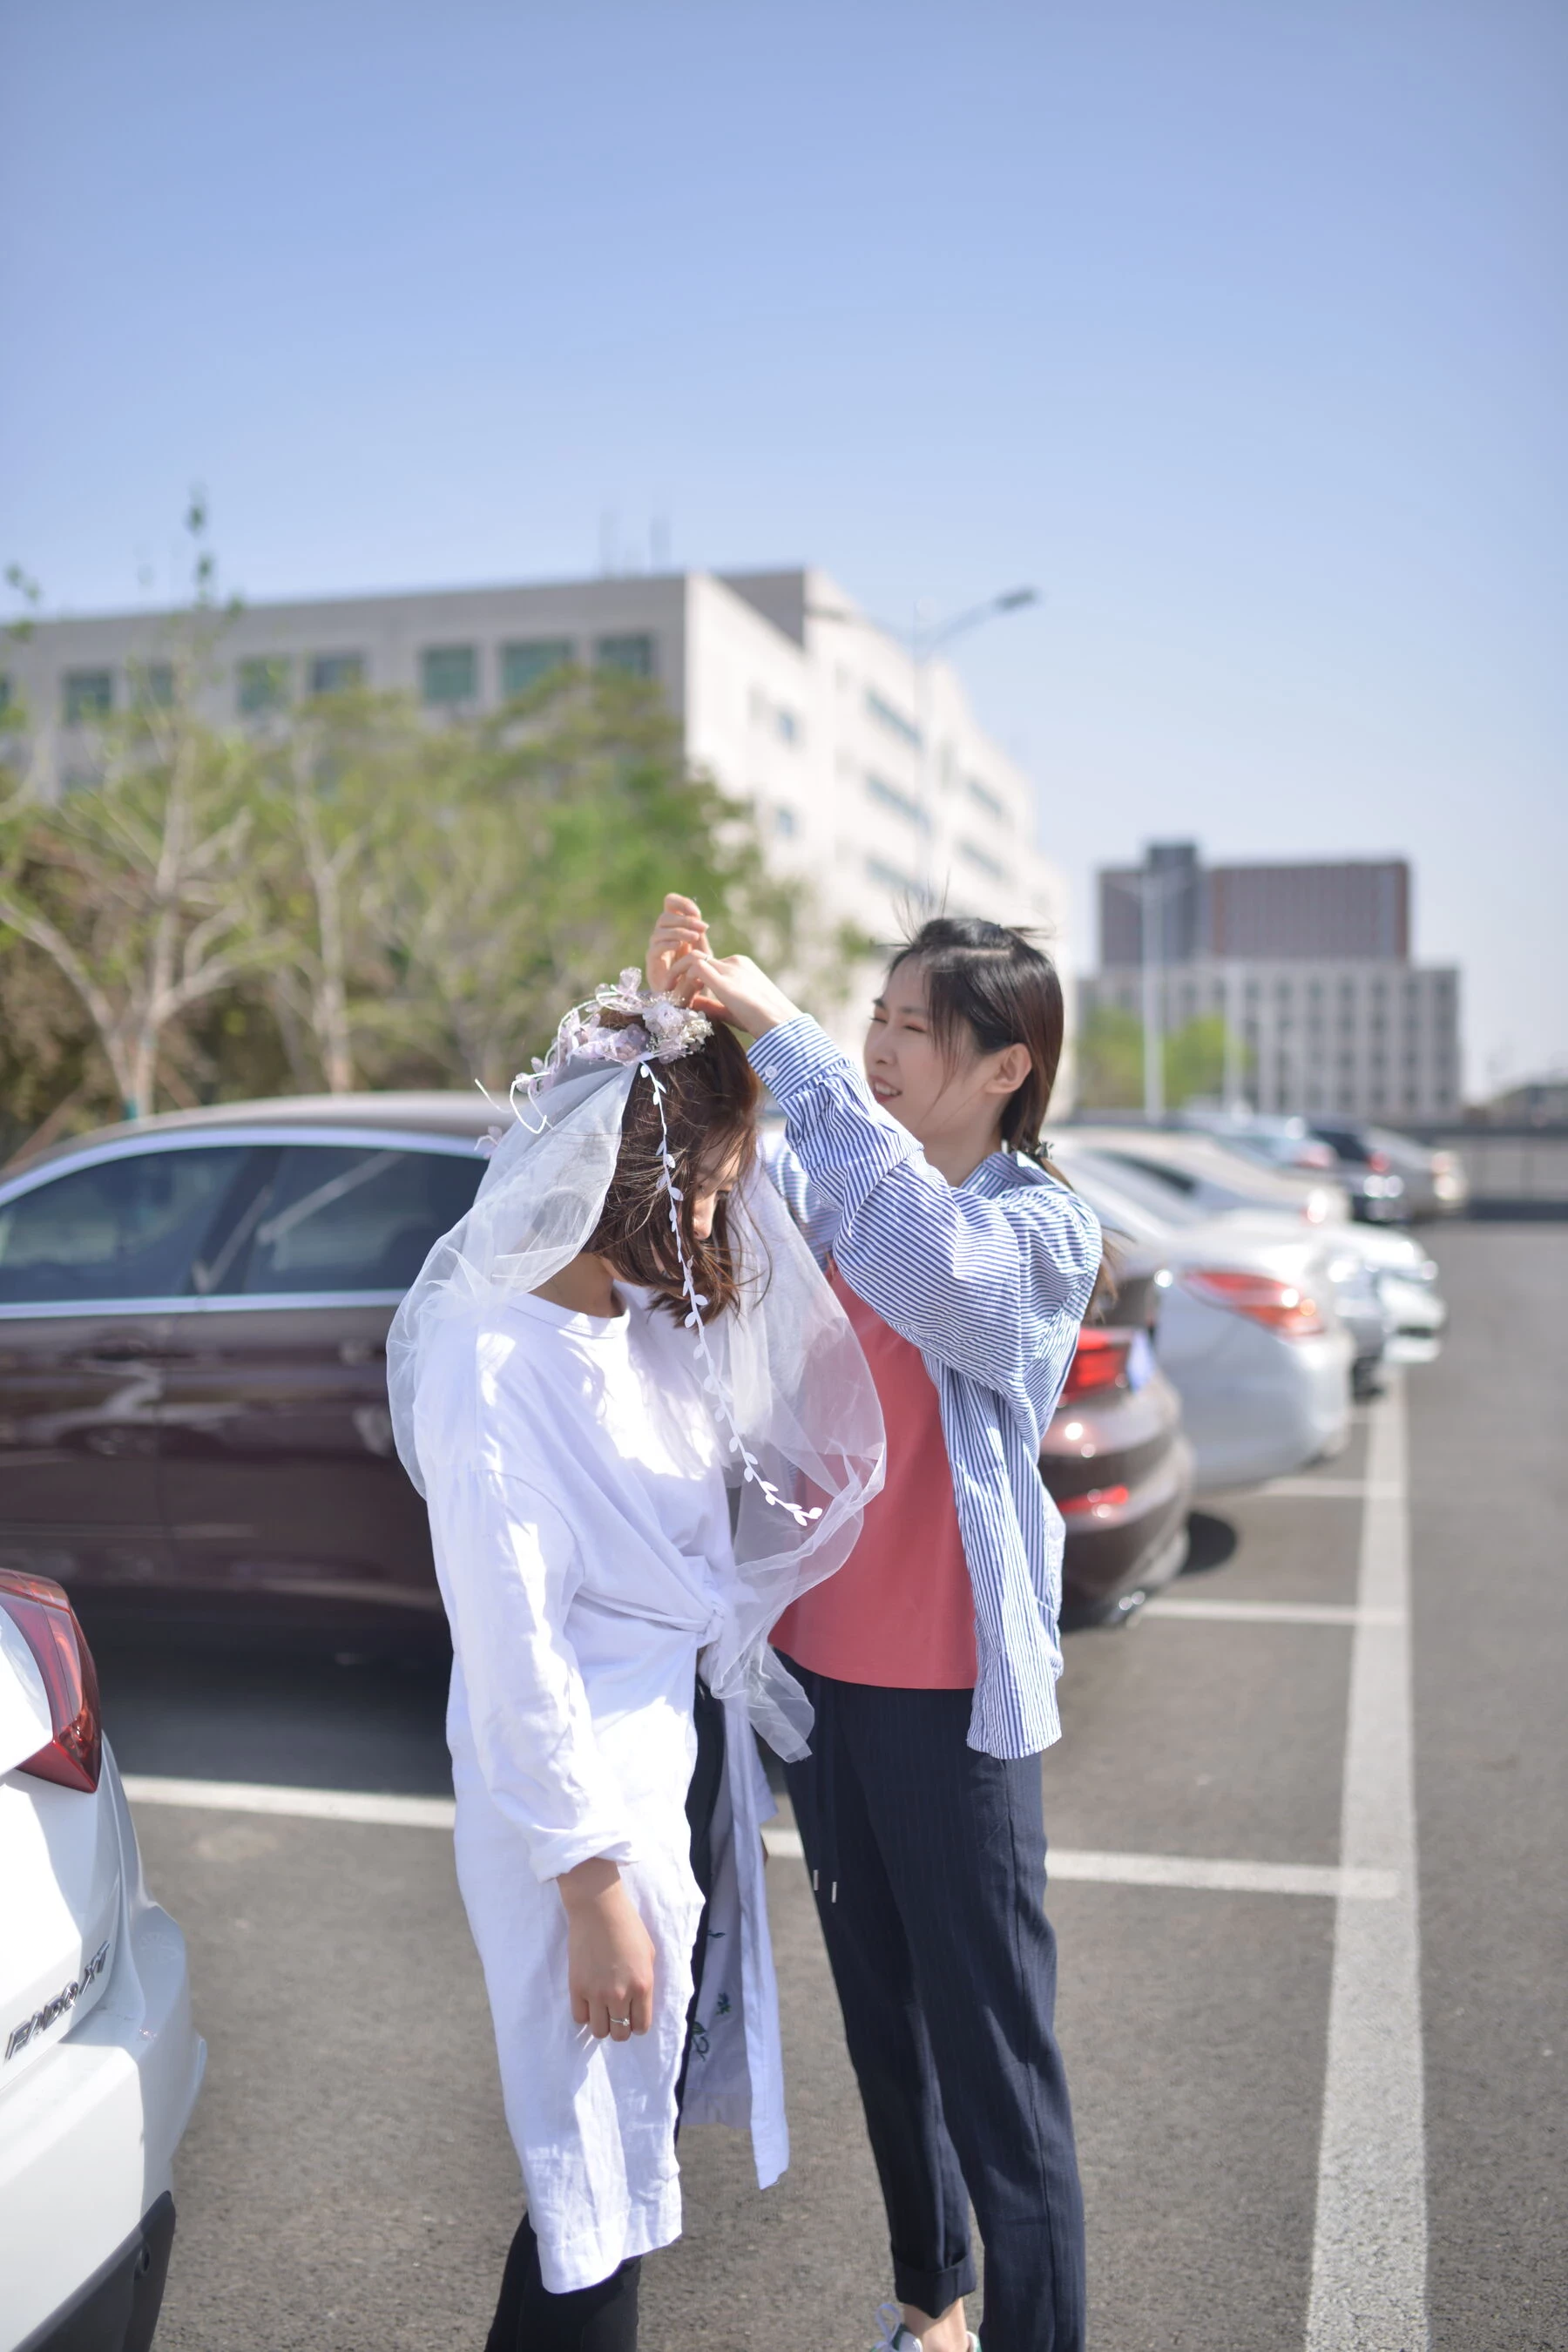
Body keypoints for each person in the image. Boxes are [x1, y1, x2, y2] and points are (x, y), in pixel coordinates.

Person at [386, 970, 882, 2351]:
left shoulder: (644, 1317)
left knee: (620, 2158)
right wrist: (593, 1885)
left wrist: (716, 999)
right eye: (713, 1184)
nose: (729, 1213)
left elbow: (801, 1187)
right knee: (589, 2167)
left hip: (669, 1768)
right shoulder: (496, 1362)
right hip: (577, 1804)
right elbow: (511, 1654)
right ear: (635, 1179)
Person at [651, 898, 1102, 2352]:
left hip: (949, 1701)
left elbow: (940, 1281)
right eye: (878, 1018)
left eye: (921, 1027)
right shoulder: (828, 1185)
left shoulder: (1035, 1228)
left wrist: (794, 1045)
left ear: (1006, 1069)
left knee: (998, 2065)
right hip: (818, 1689)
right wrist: (687, 1024)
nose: (885, 1046)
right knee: (880, 2024)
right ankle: (934, 2305)